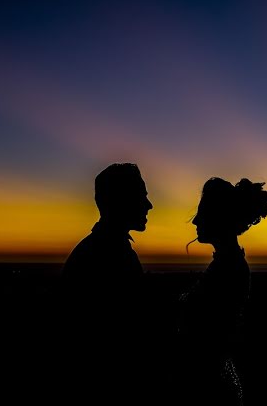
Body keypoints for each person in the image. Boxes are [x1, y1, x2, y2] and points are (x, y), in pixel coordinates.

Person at [58, 162, 154, 397]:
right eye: (141, 196)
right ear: (119, 201)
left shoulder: (103, 248)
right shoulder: (108, 254)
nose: (149, 205)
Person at [177, 177, 267, 406]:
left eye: (203, 213)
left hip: (212, 390)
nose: (196, 221)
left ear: (220, 218)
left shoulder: (229, 267)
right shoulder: (228, 263)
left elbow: (211, 336)